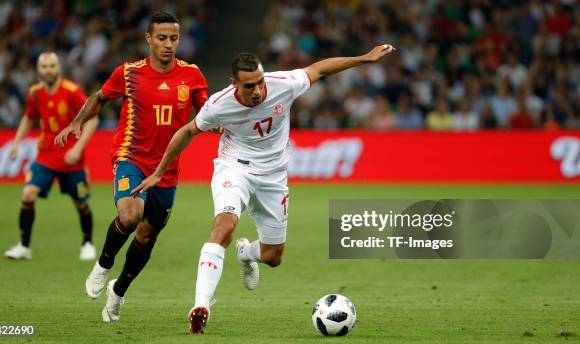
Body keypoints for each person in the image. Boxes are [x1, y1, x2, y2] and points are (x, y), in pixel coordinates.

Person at [131, 44, 396, 333]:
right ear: (235, 84)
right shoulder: (220, 104)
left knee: (273, 257)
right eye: (249, 86)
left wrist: (364, 58)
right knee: (224, 225)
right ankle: (201, 306)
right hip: (235, 169)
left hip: (273, 178)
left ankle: (246, 254)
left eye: (259, 82)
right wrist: (159, 172)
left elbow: (319, 69)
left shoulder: (284, 84)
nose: (257, 90)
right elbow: (187, 131)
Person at [54, 11, 208, 323]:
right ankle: (104, 262)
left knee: (147, 235)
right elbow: (99, 99)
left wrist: (219, 124)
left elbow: (206, 112)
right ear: (148, 39)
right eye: (162, 38)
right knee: (131, 214)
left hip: (166, 169)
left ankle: (119, 291)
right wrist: (76, 123)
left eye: (174, 38)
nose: (168, 44)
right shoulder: (128, 73)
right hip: (131, 157)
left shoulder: (191, 76)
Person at [4, 52, 98, 261]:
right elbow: (28, 118)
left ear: (59, 68)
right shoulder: (35, 93)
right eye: (45, 67)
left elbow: (92, 119)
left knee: (81, 203)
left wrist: (77, 149)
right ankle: (24, 246)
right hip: (45, 156)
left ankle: (87, 243)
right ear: (39, 70)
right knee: (28, 195)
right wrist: (16, 143)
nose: (49, 70)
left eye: (52, 66)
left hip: (71, 160)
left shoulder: (72, 92)